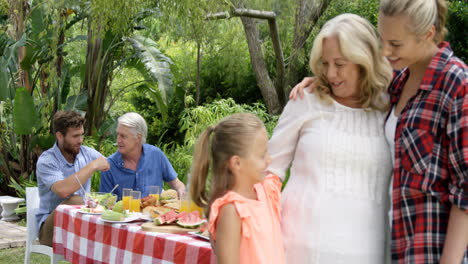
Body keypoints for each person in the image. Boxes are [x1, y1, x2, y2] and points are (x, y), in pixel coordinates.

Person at [291, 1, 468, 263]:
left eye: (395, 44)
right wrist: (325, 78)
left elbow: (465, 189)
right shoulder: (397, 82)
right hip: (395, 246)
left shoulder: (457, 84)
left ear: (428, 34)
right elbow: (360, 82)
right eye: (383, 40)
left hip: (432, 251)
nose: (385, 52)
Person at [268, 14, 394, 263]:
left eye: (340, 63)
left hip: (369, 253)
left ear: (364, 60)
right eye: (325, 63)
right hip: (296, 251)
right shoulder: (306, 100)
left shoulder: (390, 108)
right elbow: (269, 172)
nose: (331, 73)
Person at [189, 113, 285, 264]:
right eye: (262, 155)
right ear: (236, 163)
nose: (269, 160)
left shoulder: (266, 191)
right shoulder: (231, 210)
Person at [36, 111, 110, 246]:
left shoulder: (86, 152)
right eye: (75, 136)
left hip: (82, 225)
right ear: (59, 136)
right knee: (75, 200)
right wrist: (93, 166)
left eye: (81, 135)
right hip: (51, 231)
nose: (80, 140)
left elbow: (111, 164)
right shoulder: (47, 160)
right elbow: (63, 190)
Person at [100, 112, 185, 199]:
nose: (118, 140)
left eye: (123, 136)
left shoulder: (156, 155)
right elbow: (105, 204)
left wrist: (181, 190)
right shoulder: (109, 166)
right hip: (124, 212)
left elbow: (176, 183)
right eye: (117, 134)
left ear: (138, 138)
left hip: (155, 211)